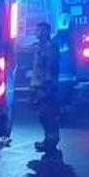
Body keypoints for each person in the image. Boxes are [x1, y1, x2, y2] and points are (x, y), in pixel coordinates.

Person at [31, 22, 61, 157]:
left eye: (39, 30)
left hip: (47, 87)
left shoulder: (50, 48)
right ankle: (48, 140)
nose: (36, 32)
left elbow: (49, 68)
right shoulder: (40, 47)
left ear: (45, 32)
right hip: (39, 86)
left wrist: (46, 86)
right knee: (43, 115)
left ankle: (52, 142)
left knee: (49, 115)